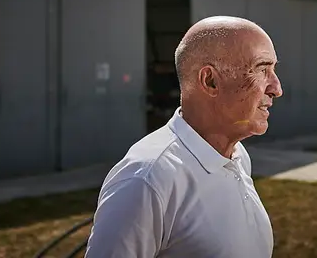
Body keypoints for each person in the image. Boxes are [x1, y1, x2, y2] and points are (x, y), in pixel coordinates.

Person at [85, 16, 284, 257]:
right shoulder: (146, 180)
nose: (276, 88)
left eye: (273, 70)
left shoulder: (237, 156)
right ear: (210, 81)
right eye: (262, 69)